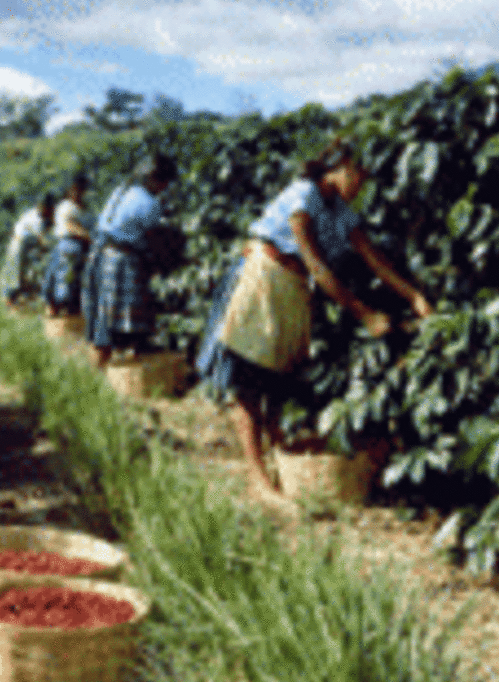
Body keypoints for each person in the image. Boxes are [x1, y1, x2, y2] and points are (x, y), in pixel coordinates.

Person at [193, 138, 434, 503]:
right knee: (248, 382)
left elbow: (374, 258)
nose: (360, 186)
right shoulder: (303, 196)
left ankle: (278, 464)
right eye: (358, 176)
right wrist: (365, 314)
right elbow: (316, 265)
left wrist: (414, 296)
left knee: (276, 377)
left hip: (290, 288)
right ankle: (258, 480)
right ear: (339, 170)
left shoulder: (340, 209)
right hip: (264, 277)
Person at [80, 153, 181, 369]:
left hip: (101, 255)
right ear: (154, 180)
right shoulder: (148, 203)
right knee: (108, 326)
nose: (164, 188)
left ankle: (99, 375)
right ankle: (97, 373)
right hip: (120, 261)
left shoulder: (122, 191)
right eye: (164, 183)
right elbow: (154, 241)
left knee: (104, 320)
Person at [42, 173, 94, 317]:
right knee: (64, 279)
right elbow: (71, 227)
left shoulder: (85, 209)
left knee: (76, 282)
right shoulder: (66, 207)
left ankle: (71, 312)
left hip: (82, 248)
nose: (77, 193)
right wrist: (90, 237)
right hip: (68, 246)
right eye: (75, 189)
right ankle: (59, 310)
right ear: (70, 189)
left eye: (81, 189)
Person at [1, 194, 56, 309]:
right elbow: (43, 241)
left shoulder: (40, 217)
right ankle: (9, 304)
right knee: (14, 277)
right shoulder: (35, 218)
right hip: (19, 246)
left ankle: (21, 302)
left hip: (27, 247)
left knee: (24, 276)